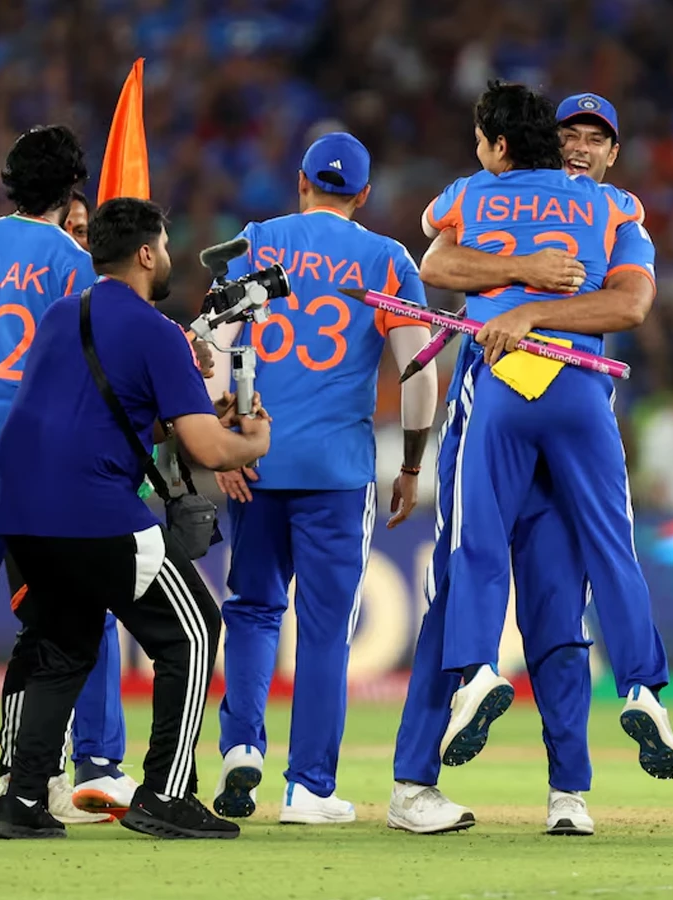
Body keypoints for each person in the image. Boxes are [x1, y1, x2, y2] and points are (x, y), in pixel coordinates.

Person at [390, 93, 655, 836]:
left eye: (595, 138)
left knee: (556, 613)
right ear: (545, 143)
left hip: (544, 410)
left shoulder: (615, 216)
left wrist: (528, 308)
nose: (579, 146)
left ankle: (568, 794)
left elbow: (628, 307)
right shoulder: (531, 205)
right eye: (568, 133)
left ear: (611, 155)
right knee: (457, 589)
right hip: (521, 402)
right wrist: (530, 271)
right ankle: (414, 781)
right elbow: (437, 261)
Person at [0, 197, 268, 840]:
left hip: (21, 509)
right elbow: (209, 451)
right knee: (193, 632)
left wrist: (186, 415)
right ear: (146, 253)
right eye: (164, 245)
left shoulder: (62, 314)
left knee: (56, 645)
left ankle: (21, 800)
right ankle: (166, 795)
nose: (167, 256)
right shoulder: (156, 328)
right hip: (94, 508)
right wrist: (254, 441)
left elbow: (97, 410)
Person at [207, 132, 438, 825]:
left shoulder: (253, 242)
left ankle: (241, 744)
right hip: (337, 471)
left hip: (257, 458)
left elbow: (217, 347)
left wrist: (228, 441)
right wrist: (411, 464)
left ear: (301, 182)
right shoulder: (385, 260)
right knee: (325, 628)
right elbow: (418, 372)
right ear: (363, 195)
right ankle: (307, 787)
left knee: (250, 609)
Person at [0, 125, 136, 825]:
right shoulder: (73, 263)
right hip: (29, 463)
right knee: (60, 618)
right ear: (72, 190)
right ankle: (61, 770)